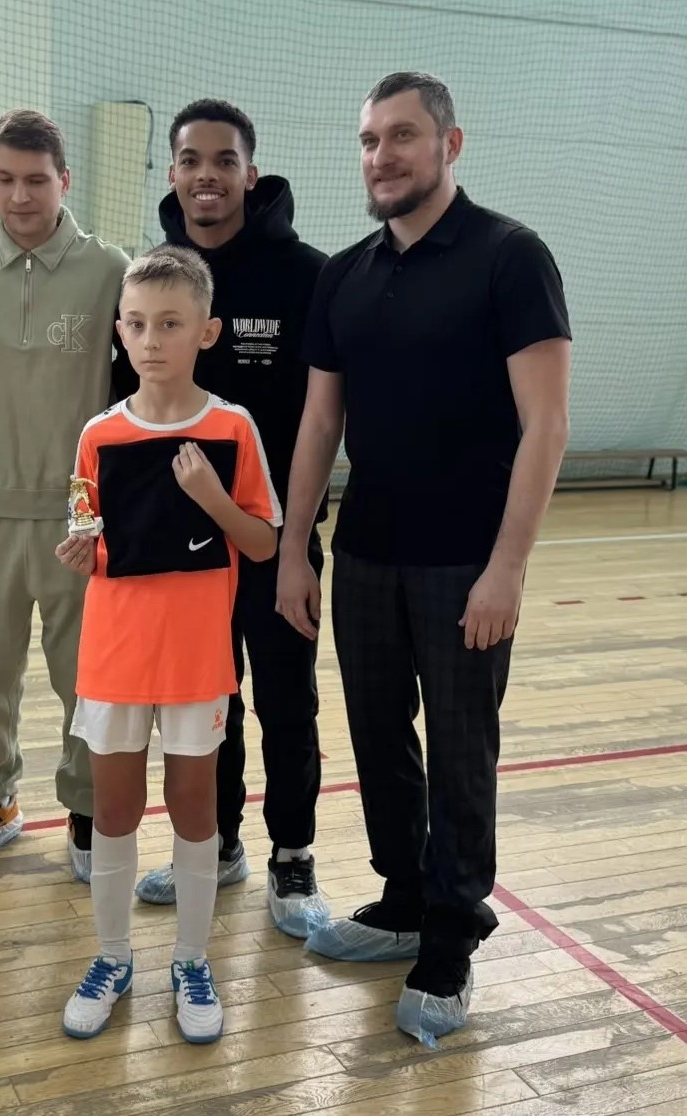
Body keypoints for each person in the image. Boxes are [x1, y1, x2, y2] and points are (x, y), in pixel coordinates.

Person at [276, 72, 571, 1043]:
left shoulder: (510, 258)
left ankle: (450, 939)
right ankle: (404, 898)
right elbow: (320, 423)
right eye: (369, 140)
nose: (382, 156)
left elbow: (546, 424)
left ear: (450, 144)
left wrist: (508, 568)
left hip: (465, 564)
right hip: (366, 555)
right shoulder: (345, 274)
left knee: (461, 754)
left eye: (402, 136)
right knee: (379, 739)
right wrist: (294, 550)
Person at [57, 245, 283, 1043]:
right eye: (137, 324)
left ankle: (192, 959)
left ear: (207, 332)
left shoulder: (232, 427)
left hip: (195, 662)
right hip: (114, 658)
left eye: (171, 324)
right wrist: (80, 551)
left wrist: (211, 497)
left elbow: (262, 542)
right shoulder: (97, 434)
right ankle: (112, 957)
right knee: (115, 810)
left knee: (195, 810)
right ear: (119, 330)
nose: (151, 340)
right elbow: (90, 534)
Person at [117, 99, 329, 937]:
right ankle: (223, 844)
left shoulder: (307, 276)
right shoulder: (152, 277)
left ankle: (293, 856)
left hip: (279, 543)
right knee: (210, 705)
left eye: (224, 160)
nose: (207, 175)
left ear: (250, 171)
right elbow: (131, 415)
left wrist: (298, 544)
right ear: (172, 172)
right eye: (191, 160)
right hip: (187, 549)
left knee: (287, 702)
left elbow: (322, 422)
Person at [0, 110, 133, 881]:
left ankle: (86, 807)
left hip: (79, 517)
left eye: (37, 180)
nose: (20, 196)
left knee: (85, 676)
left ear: (64, 180)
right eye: (5, 179)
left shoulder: (109, 269)